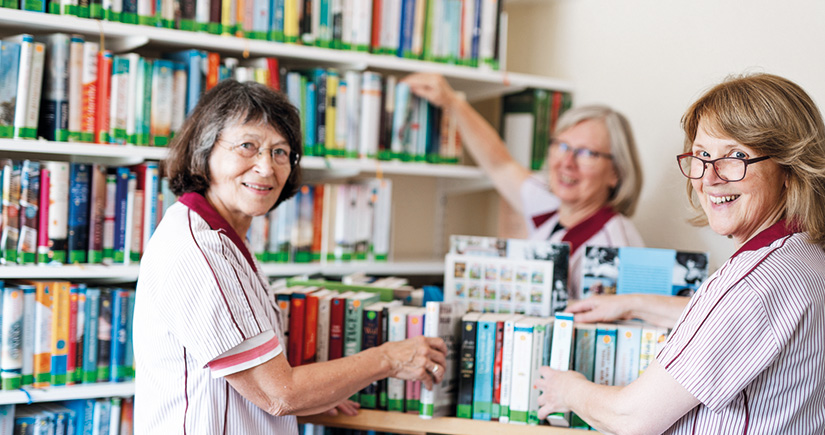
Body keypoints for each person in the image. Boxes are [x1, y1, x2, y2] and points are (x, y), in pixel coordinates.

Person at [132, 80, 448, 434]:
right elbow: (279, 393)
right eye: (247, 146)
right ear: (204, 150)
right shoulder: (199, 250)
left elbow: (265, 381)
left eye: (280, 152)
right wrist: (389, 358)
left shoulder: (228, 237)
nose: (266, 168)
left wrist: (325, 387)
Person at [537, 73, 825, 433]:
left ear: (789, 167)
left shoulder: (753, 283)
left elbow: (632, 417)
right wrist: (630, 303)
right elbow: (730, 324)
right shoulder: (804, 257)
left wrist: (566, 388)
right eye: (703, 155)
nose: (710, 177)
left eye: (736, 155)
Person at [403, 73, 644, 300]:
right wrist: (452, 101)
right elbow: (499, 165)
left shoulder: (615, 246)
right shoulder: (552, 204)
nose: (567, 163)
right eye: (561, 146)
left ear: (616, 172)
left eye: (586, 153)